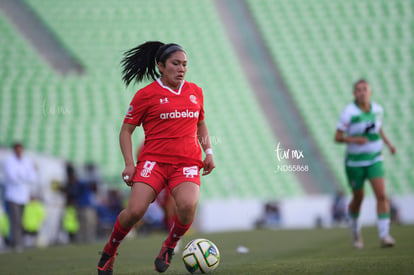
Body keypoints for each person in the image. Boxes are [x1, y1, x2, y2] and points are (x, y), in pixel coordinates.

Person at [97, 41, 215, 274]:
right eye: (176, 63)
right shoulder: (146, 95)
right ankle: (110, 250)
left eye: (184, 64)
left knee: (188, 205)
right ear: (161, 66)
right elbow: (126, 131)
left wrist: (208, 152)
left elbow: (201, 124)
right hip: (154, 163)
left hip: (187, 162)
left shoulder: (195, 92)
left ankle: (170, 244)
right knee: (135, 211)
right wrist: (130, 164)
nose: (181, 69)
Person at [334, 79, 396, 249]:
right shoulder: (349, 112)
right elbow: (337, 137)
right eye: (358, 90)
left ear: (370, 92)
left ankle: (384, 235)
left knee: (382, 196)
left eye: (365, 89)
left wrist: (389, 144)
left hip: (375, 157)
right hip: (355, 162)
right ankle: (355, 230)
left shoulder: (378, 110)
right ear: (354, 94)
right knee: (358, 197)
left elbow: (378, 128)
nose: (362, 92)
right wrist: (354, 139)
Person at [2, 142, 38, 251]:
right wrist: (24, 176)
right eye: (17, 149)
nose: (19, 151)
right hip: (12, 195)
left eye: (20, 149)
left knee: (20, 220)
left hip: (23, 195)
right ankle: (16, 243)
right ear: (14, 150)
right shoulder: (9, 161)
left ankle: (18, 242)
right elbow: (12, 177)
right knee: (15, 220)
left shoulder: (26, 160)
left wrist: (21, 176)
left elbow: (32, 177)